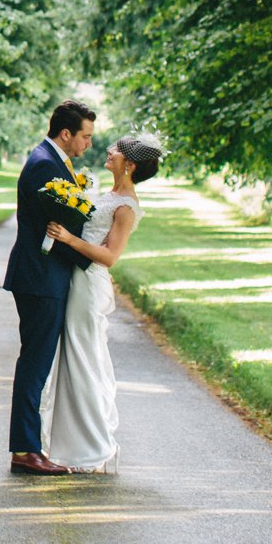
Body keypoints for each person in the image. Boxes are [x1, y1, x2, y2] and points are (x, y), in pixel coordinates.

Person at [41, 133, 163, 474]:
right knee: (74, 357)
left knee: (83, 358)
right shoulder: (110, 195)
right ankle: (68, 443)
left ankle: (91, 448)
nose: (109, 151)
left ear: (130, 165)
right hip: (76, 279)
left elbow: (109, 256)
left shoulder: (126, 206)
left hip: (90, 284)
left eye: (117, 151)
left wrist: (68, 238)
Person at [1, 99, 95, 476]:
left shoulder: (52, 160)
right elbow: (64, 222)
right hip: (40, 278)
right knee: (35, 366)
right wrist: (96, 257)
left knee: (36, 364)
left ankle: (27, 447)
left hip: (43, 277)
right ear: (66, 133)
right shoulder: (43, 164)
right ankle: (25, 450)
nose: (89, 143)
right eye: (85, 136)